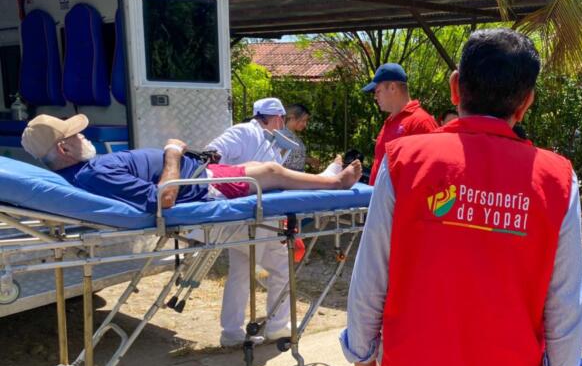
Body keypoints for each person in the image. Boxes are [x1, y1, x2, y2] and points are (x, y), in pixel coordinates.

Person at [341, 29, 582, 366]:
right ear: (527, 101)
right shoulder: (557, 179)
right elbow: (565, 301)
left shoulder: (405, 162)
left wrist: (362, 359)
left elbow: (370, 277)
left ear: (455, 87)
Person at [20, 113, 361, 215]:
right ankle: (335, 183)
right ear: (64, 147)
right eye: (77, 135)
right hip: (200, 185)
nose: (84, 136)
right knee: (271, 172)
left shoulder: (84, 171)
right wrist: (172, 154)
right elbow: (163, 199)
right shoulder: (94, 175)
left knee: (260, 165)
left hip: (200, 173)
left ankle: (325, 177)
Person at [207, 98, 341, 346]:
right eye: (282, 119)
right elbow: (211, 154)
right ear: (278, 118)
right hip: (246, 216)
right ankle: (268, 327)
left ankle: (237, 331)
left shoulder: (269, 143)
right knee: (268, 269)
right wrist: (238, 176)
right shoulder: (243, 132)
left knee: (252, 271)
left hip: (260, 218)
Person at [361, 63, 437, 185]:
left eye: (378, 91)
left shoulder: (421, 122)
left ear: (392, 87)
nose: (375, 97)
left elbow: (431, 173)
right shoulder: (391, 120)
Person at [282, 103, 319, 172]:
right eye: (303, 120)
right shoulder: (282, 135)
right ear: (292, 118)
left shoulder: (293, 135)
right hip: (288, 177)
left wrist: (310, 160)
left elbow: (293, 157)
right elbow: (280, 160)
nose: (305, 124)